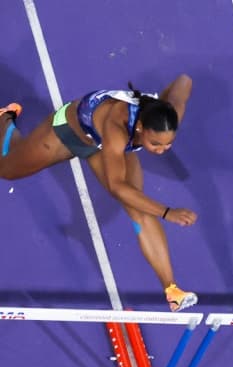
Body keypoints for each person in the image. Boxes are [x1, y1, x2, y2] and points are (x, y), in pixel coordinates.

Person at [0, 77, 198, 311]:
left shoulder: (168, 114)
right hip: (69, 133)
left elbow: (184, 82)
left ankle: (172, 290)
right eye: (155, 144)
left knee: (141, 209)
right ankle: (4, 120)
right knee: (8, 169)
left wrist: (163, 100)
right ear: (141, 127)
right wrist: (167, 212)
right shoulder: (116, 126)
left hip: (103, 147)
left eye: (168, 144)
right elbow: (116, 187)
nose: (162, 150)